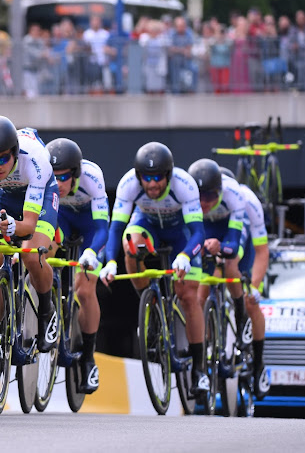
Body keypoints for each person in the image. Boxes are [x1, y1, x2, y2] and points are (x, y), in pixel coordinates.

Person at [98, 142, 209, 395]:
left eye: (158, 177)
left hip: (181, 233)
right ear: (139, 176)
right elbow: (115, 228)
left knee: (188, 296)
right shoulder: (129, 184)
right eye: (146, 178)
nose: (152, 184)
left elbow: (198, 232)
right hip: (147, 225)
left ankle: (199, 369)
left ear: (168, 175)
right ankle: (151, 305)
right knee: (130, 245)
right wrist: (110, 262)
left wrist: (184, 255)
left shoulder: (185, 184)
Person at [0, 116, 59, 377]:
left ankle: (47, 311)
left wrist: (13, 227)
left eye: (2, 159)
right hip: (2, 195)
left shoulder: (34, 161)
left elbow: (30, 225)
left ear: (14, 153)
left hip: (39, 197)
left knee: (32, 255)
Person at [46, 138, 109, 393]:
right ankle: (47, 298)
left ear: (76, 174)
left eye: (64, 178)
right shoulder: (44, 178)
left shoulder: (92, 179)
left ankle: (89, 357)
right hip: (62, 219)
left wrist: (93, 252)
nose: (58, 184)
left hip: (90, 226)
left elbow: (103, 229)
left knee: (84, 290)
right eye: (54, 178)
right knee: (45, 248)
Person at [187, 159, 249, 351]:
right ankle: (202, 344)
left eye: (210, 197)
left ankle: (241, 317)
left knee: (231, 266)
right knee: (199, 294)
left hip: (229, 230)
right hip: (207, 229)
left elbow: (233, 244)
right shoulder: (186, 195)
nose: (204, 202)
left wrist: (221, 246)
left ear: (220, 192)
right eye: (200, 197)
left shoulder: (235, 195)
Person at [220, 166, 271, 399]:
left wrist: (254, 287)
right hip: (218, 236)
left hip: (245, 242)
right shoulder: (203, 201)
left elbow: (262, 250)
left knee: (251, 301)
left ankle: (259, 364)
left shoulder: (248, 202)